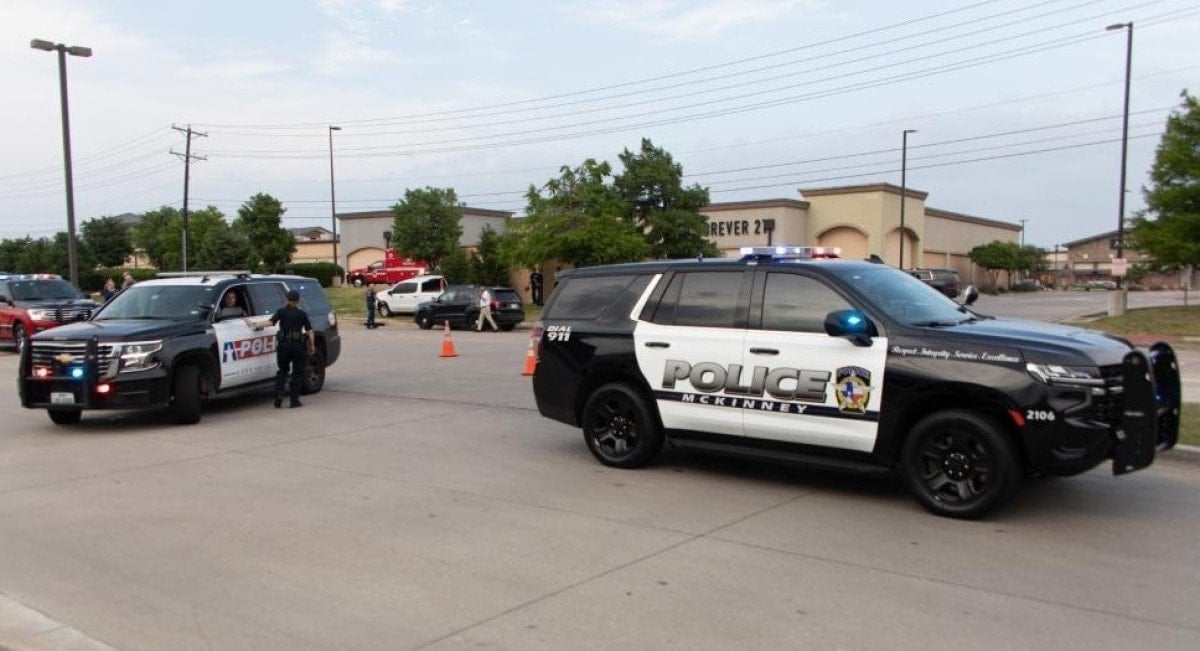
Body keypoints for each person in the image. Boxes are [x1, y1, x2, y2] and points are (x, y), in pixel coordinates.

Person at [256, 289, 315, 408]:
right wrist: (312, 345)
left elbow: (270, 322)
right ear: (298, 301)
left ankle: (279, 395)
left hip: (284, 345)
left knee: (282, 371)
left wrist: (255, 325)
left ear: (287, 300)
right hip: (297, 346)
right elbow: (309, 330)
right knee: (297, 373)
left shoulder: (281, 312)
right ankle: (294, 401)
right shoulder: (302, 314)